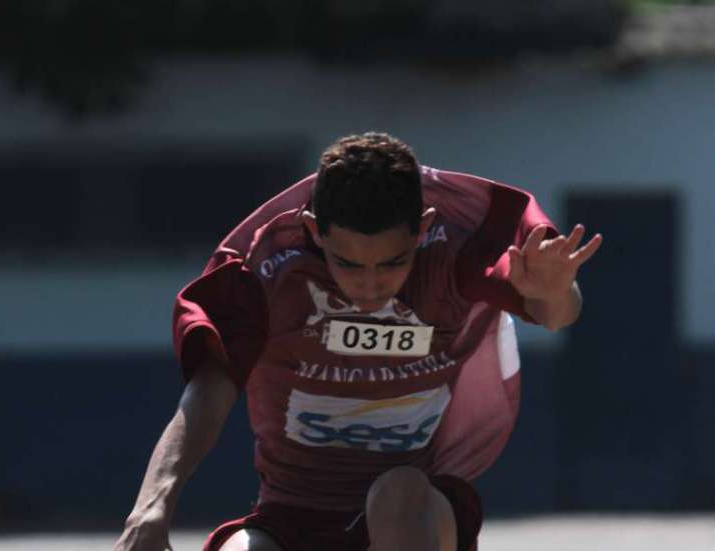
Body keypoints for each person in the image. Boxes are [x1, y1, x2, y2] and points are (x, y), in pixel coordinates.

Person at [115, 132, 602, 551]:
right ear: (314, 232)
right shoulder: (267, 268)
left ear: (424, 230)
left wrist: (555, 290)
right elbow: (212, 381)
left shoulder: (455, 251)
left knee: (398, 490)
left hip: (413, 512)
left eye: (393, 263)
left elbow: (556, 314)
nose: (370, 288)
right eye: (348, 265)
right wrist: (152, 506)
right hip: (291, 515)